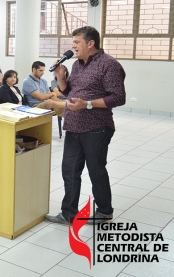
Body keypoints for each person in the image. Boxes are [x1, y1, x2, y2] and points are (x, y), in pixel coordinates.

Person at [45, 26, 126, 226]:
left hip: (97, 127)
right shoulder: (77, 65)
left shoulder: (110, 65)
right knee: (70, 171)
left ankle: (105, 211)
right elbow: (68, 92)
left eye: (76, 42)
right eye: (72, 42)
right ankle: (68, 213)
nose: (72, 46)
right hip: (73, 125)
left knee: (96, 170)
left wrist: (87, 104)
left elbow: (118, 97)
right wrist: (60, 76)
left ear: (91, 43)